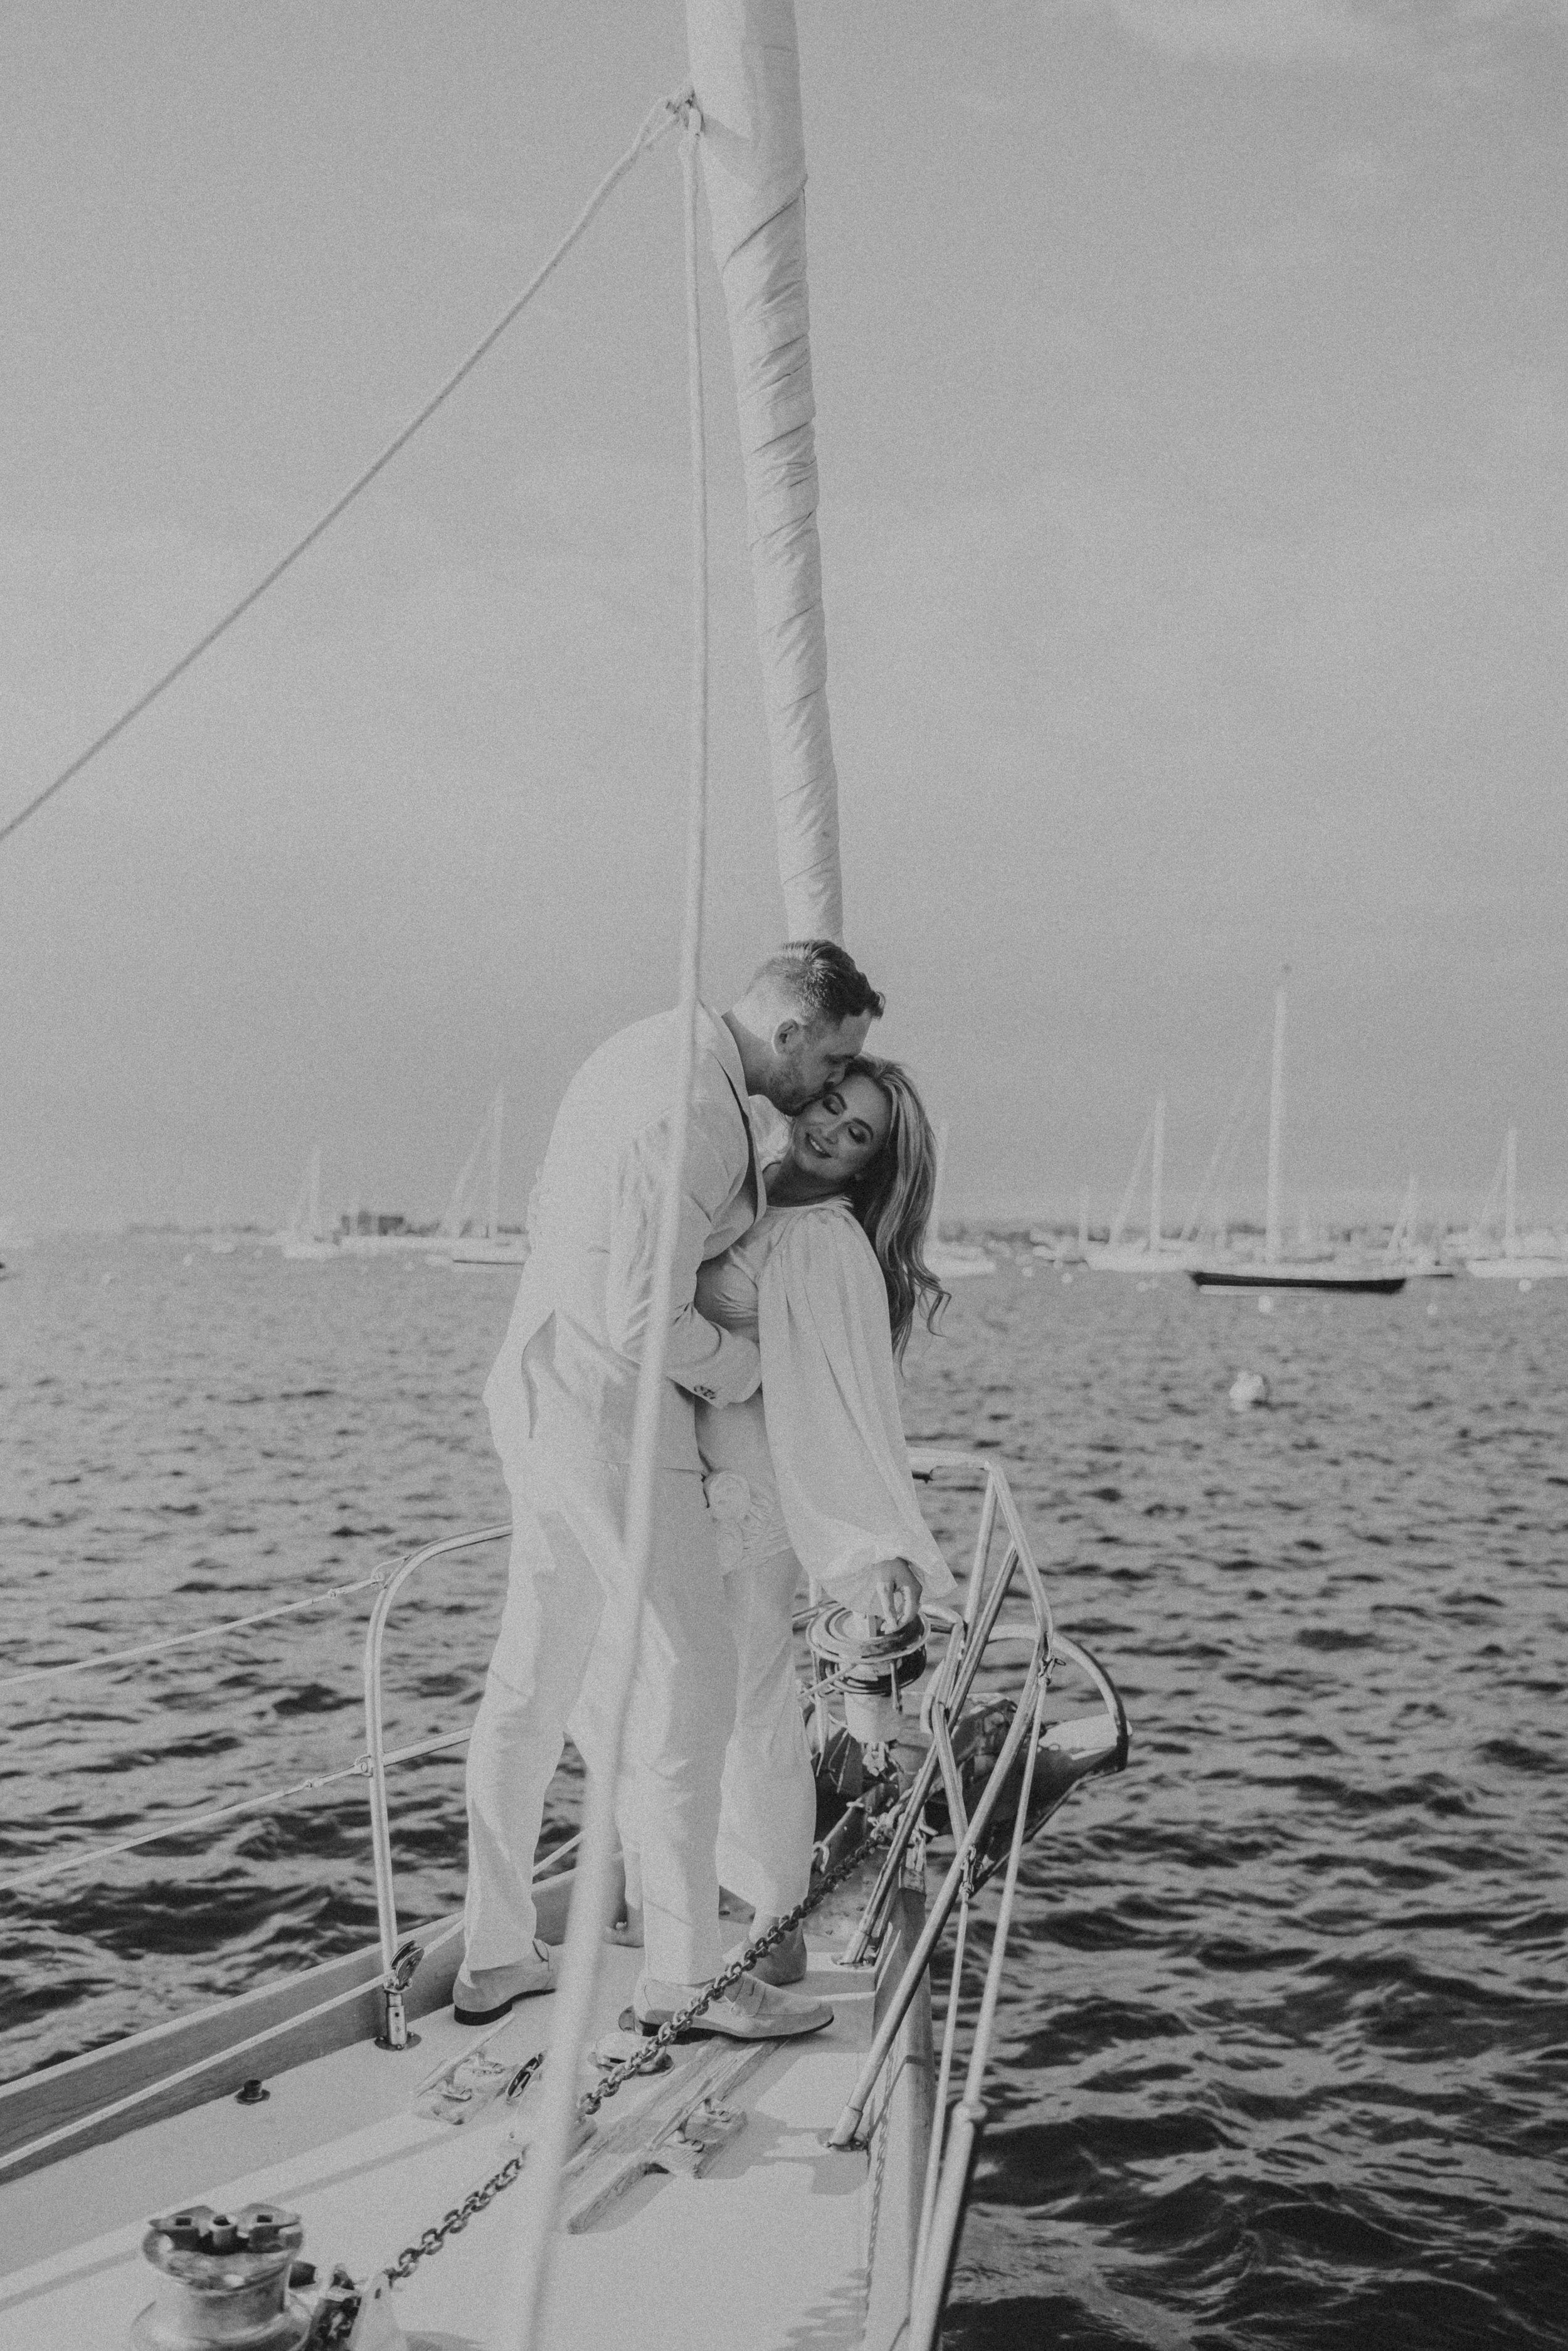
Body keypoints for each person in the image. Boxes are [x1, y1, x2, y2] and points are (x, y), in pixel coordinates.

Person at [455, 940, 883, 2042]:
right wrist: (754, 1377)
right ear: (791, 1031)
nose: (824, 1087)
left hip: (543, 1384)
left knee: (533, 1674)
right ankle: (687, 1978)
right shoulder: (693, 1110)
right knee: (694, 1676)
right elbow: (646, 1318)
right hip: (611, 1417)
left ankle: (498, 1952)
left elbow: (568, 1218)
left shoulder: (640, 1049)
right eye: (832, 1057)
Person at [596, 1054, 958, 1985]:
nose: (832, 1132)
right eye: (832, 1106)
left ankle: (774, 1919)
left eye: (859, 1135)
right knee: (671, 1689)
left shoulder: (822, 1239)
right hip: (691, 1474)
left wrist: (876, 1542)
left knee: (754, 1701)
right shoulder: (752, 1190)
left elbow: (849, 1397)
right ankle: (691, 1888)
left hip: (752, 1490)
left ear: (872, 1165)